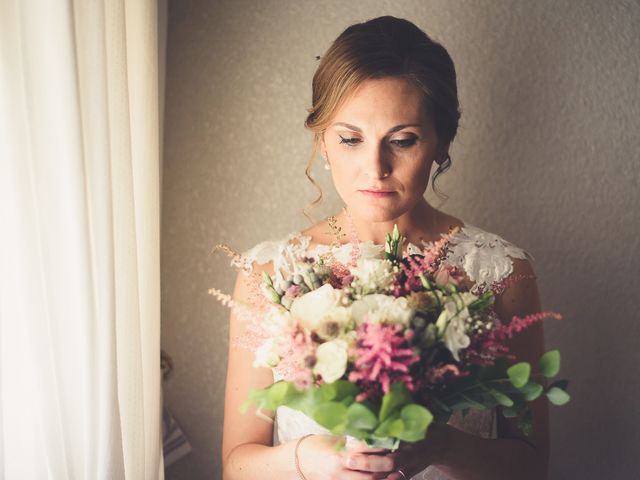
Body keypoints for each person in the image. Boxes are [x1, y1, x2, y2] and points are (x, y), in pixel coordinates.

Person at [221, 15, 549, 480]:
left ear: (442, 141)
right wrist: (310, 460)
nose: (375, 167)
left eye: (402, 140)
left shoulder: (499, 272)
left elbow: (533, 466)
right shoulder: (269, 274)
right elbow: (236, 464)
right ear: (322, 140)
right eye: (351, 139)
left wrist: (444, 447)